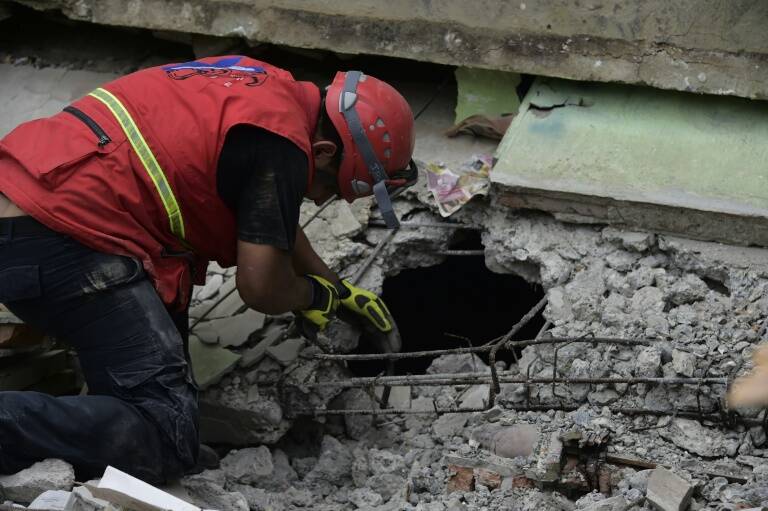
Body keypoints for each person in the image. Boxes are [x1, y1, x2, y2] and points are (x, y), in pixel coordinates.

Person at [0, 55, 416, 483]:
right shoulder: (280, 147)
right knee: (166, 436)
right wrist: (313, 295)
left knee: (166, 401)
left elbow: (271, 218)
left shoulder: (270, 94)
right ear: (324, 152)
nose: (318, 198)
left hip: (38, 201)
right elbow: (260, 287)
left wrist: (338, 288)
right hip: (65, 236)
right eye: (329, 186)